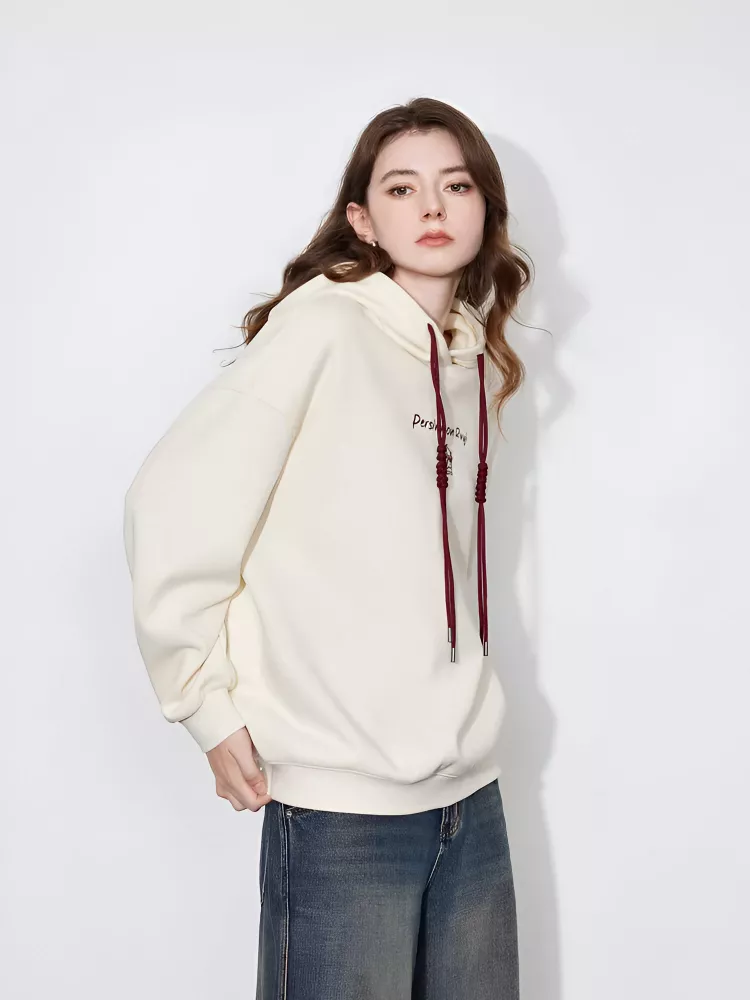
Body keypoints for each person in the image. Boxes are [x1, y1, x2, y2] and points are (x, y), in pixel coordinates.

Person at [123, 96, 532, 1000]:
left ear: (485, 208)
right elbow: (170, 502)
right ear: (363, 219)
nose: (432, 207)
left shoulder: (467, 359)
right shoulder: (325, 327)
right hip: (342, 808)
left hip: (471, 796)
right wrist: (204, 703)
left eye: (456, 185)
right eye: (402, 188)